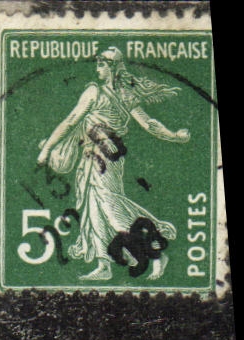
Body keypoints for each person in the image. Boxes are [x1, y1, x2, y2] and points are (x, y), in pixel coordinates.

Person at [36, 47, 189, 282]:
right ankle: (103, 264)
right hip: (90, 159)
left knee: (110, 207)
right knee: (93, 210)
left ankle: (156, 252)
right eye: (97, 63)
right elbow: (71, 122)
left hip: (107, 159)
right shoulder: (96, 92)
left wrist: (174, 136)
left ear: (113, 68)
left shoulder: (115, 95)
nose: (97, 68)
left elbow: (149, 124)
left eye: (101, 64)